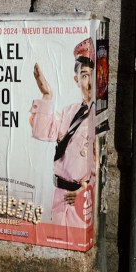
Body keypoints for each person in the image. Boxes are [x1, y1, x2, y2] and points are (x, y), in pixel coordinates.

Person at [30, 38, 97, 230]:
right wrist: (47, 96)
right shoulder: (70, 111)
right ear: (76, 80)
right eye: (84, 75)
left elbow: (99, 165)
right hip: (59, 196)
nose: (89, 82)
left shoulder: (98, 118)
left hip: (81, 199)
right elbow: (43, 132)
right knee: (57, 241)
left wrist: (85, 191)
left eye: (92, 75)